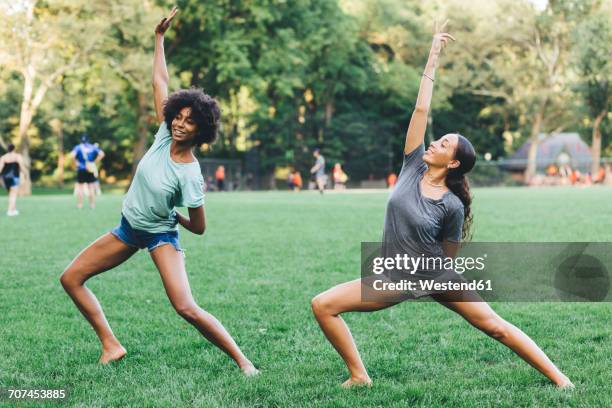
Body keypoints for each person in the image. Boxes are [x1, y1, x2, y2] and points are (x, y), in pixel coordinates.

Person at [311, 20, 573, 389]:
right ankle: (359, 376)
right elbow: (420, 112)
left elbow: (448, 253)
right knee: (323, 304)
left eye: (444, 144)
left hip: (434, 275)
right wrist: (433, 55)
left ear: (452, 163)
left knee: (495, 326)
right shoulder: (411, 165)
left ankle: (561, 380)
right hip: (393, 276)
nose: (434, 143)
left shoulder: (452, 205)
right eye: (438, 140)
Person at [60, 7, 258, 376]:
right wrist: (159, 39)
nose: (181, 125)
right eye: (178, 117)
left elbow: (199, 227)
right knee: (70, 278)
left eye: (190, 122)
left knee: (185, 307)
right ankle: (111, 345)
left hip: (160, 235)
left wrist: (174, 216)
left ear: (202, 130)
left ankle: (243, 361)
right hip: (127, 229)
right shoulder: (163, 134)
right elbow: (160, 85)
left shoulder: (190, 173)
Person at [69, 134, 105, 209]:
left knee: (80, 187)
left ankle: (80, 205)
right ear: (88, 140)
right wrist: (95, 162)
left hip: (81, 169)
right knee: (91, 187)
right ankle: (92, 205)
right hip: (90, 169)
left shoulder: (78, 147)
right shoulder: (92, 147)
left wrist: (76, 163)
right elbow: (102, 154)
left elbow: (72, 156)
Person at [0, 144, 25, 216]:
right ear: (14, 149)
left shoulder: (3, 157)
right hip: (14, 177)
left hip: (5, 177)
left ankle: (13, 209)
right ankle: (10, 210)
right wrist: (25, 174)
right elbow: (22, 166)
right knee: (13, 194)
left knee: (10, 194)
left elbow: (0, 168)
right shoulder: (17, 156)